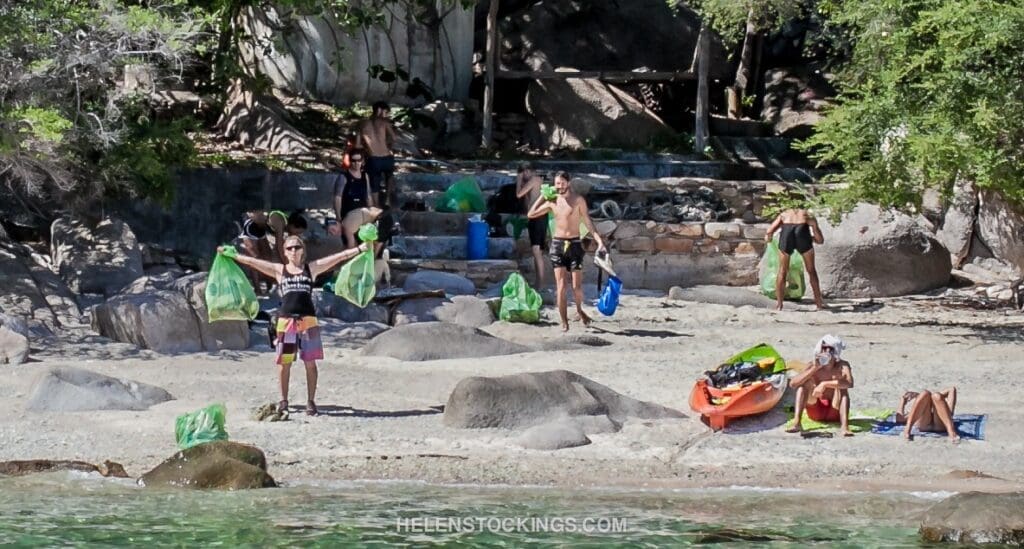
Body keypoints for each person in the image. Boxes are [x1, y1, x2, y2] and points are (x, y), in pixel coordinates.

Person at [221, 235, 371, 416]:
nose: (293, 251)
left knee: (310, 363)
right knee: (284, 363)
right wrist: (233, 255)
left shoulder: (311, 269)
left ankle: (311, 401)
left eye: (297, 247)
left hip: (308, 321)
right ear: (284, 252)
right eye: (289, 248)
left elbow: (339, 257)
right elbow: (253, 262)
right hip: (286, 322)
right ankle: (283, 401)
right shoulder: (280, 270)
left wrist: (360, 249)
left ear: (302, 250)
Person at [527, 171, 606, 332]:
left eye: (562, 183)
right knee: (561, 286)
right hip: (557, 245)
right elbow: (531, 213)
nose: (560, 186)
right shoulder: (552, 201)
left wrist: (599, 242)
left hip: (575, 244)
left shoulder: (578, 200)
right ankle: (564, 322)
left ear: (568, 183)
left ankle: (579, 310)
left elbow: (588, 222)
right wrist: (543, 196)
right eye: (557, 183)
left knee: (577, 286)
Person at [786, 334, 855, 436]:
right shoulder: (812, 364)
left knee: (842, 388)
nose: (827, 351)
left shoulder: (842, 365)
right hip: (816, 409)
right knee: (803, 385)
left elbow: (849, 383)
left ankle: (845, 427)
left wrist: (824, 384)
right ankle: (797, 423)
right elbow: (793, 384)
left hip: (834, 409)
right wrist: (814, 368)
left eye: (830, 349)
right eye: (824, 348)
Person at [764, 208, 826, 310]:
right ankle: (819, 304)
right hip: (802, 231)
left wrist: (769, 238)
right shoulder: (806, 214)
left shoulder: (784, 214)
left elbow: (769, 231)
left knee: (782, 271)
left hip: (786, 233)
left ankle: (779, 305)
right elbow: (820, 240)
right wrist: (813, 230)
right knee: (811, 271)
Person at [356, 101, 397, 208]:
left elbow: (357, 145)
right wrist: (387, 146)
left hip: (374, 158)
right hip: (387, 157)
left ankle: (376, 206)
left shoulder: (362, 124)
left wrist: (366, 147)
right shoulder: (385, 123)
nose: (386, 115)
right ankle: (387, 200)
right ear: (380, 110)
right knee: (389, 177)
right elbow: (394, 138)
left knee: (374, 183)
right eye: (386, 112)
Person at [333, 149, 375, 249]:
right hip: (348, 214)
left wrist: (372, 213)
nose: (356, 163)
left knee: (364, 243)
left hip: (362, 214)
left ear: (362, 161)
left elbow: (368, 195)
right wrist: (338, 218)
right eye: (353, 161)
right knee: (350, 244)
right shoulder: (343, 177)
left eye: (359, 160)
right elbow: (337, 198)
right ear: (350, 161)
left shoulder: (365, 176)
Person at [516, 163, 547, 289]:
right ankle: (538, 282)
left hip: (539, 217)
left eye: (524, 172)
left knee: (536, 250)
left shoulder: (535, 180)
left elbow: (518, 194)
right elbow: (526, 203)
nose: (524, 175)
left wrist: (518, 181)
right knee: (536, 251)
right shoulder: (532, 183)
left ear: (529, 171)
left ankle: (541, 283)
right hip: (534, 218)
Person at [894, 387, 960, 443]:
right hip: (941, 425)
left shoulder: (915, 413)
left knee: (930, 395)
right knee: (927, 394)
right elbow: (952, 389)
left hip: (926, 425)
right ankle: (951, 432)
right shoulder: (916, 412)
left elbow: (952, 389)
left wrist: (904, 400)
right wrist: (903, 400)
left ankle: (907, 429)